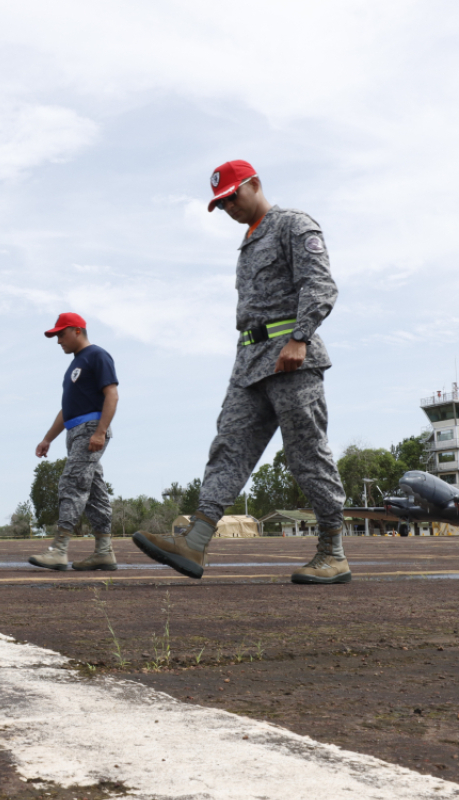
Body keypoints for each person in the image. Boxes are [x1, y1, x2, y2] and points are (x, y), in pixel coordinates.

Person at [133, 159, 350, 584]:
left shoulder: (293, 225)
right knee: (228, 447)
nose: (229, 206)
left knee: (306, 453)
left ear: (254, 184)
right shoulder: (248, 243)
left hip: (291, 358)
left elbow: (320, 285)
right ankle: (195, 541)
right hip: (250, 360)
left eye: (233, 196)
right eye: (222, 203)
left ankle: (333, 552)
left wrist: (300, 338)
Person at [30, 313, 119, 571]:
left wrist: (100, 431)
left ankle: (59, 550)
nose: (58, 340)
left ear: (77, 330)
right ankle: (104, 552)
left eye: (61, 334)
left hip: (91, 429)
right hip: (76, 430)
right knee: (94, 493)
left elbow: (112, 394)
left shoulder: (97, 355)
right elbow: (66, 410)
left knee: (71, 483)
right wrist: (48, 438)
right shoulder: (74, 365)